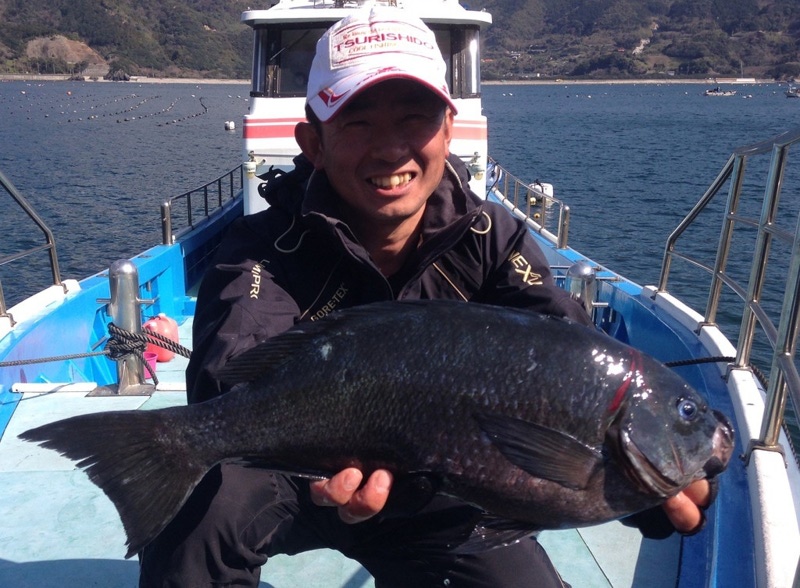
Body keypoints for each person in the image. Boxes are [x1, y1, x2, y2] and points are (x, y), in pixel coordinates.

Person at [139, 8, 715, 587]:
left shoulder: (496, 240)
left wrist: (637, 488)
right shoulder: (262, 246)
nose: (391, 151)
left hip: (438, 492)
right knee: (193, 527)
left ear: (447, 129)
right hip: (290, 470)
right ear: (312, 142)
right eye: (358, 122)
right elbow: (228, 376)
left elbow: (565, 370)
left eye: (415, 119)